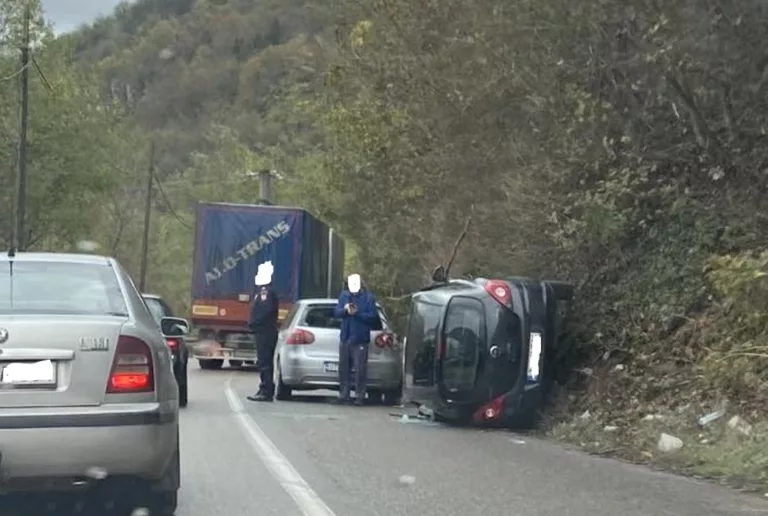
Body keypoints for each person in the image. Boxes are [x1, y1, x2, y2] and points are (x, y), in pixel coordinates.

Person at [333, 273, 378, 406]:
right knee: (344, 369)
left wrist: (357, 313)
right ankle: (344, 394)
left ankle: (359, 395)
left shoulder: (368, 298)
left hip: (360, 338)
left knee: (360, 370)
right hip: (346, 337)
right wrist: (345, 310)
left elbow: (373, 317)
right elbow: (336, 312)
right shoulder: (344, 296)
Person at [247, 261, 279, 402]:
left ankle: (266, 391)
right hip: (264, 330)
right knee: (264, 361)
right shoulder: (263, 291)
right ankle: (265, 388)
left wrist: (255, 322)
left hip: (265, 331)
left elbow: (266, 310)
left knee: (264, 361)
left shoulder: (266, 291)